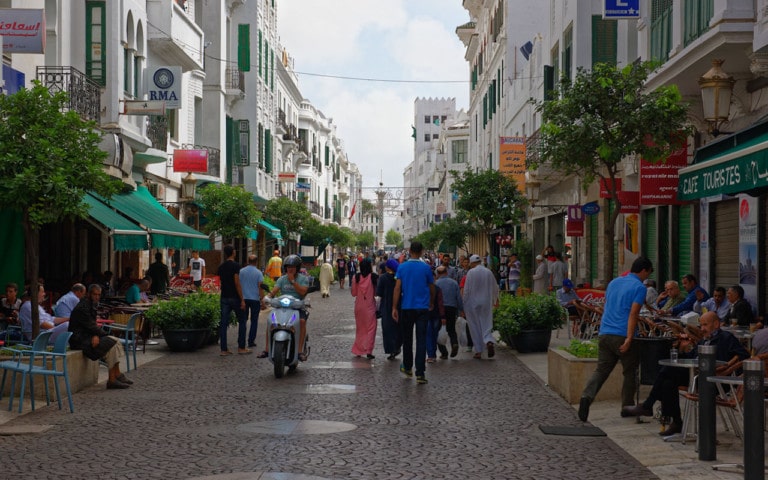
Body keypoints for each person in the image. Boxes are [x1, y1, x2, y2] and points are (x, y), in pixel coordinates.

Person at [622, 311, 749, 435]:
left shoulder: (726, 338)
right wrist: (681, 348)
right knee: (667, 382)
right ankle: (676, 422)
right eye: (701, 325)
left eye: (705, 325)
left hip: (714, 380)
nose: (702, 329)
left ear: (716, 324)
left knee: (667, 371)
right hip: (695, 376)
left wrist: (727, 367)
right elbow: (691, 357)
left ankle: (648, 405)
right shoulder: (703, 340)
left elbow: (744, 355)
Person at [578, 256, 654, 423]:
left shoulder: (614, 282)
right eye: (647, 273)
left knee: (601, 370)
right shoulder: (639, 287)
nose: (646, 277)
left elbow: (608, 306)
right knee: (630, 372)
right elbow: (633, 313)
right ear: (643, 270)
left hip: (605, 332)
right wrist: (629, 338)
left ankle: (586, 396)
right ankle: (627, 407)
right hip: (622, 333)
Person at [69, 284, 132, 389]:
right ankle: (114, 377)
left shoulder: (91, 305)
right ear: (89, 294)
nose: (97, 297)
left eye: (99, 295)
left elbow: (91, 326)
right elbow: (91, 325)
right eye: (95, 294)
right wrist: (102, 334)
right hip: (79, 341)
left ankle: (115, 376)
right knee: (112, 342)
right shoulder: (83, 307)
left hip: (87, 337)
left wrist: (96, 334)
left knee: (113, 342)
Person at [392, 241, 435, 384]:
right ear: (422, 251)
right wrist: (431, 302)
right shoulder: (426, 268)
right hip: (422, 308)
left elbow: (397, 288)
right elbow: (432, 286)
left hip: (407, 307)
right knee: (421, 339)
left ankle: (408, 367)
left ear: (409, 251)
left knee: (407, 339)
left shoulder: (402, 268)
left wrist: (394, 307)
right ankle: (420, 373)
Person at [265, 254, 309, 360]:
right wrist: (268, 296)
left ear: (297, 268)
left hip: (298, 307)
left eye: (293, 267)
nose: (290, 269)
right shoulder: (282, 279)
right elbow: (274, 291)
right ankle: (267, 349)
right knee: (270, 320)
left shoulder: (303, 279)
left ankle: (299, 351)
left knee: (302, 321)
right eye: (288, 267)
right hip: (282, 306)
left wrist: (293, 281)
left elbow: (303, 292)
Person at [462, 254, 500, 360]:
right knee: (486, 323)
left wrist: (463, 304)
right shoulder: (488, 272)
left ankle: (478, 351)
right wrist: (496, 299)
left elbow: (467, 290)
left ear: (472, 262)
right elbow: (495, 286)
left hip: (472, 303)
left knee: (474, 326)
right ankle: (488, 340)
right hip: (486, 302)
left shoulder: (470, 272)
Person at [217, 244, 249, 356]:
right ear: (233, 252)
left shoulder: (221, 267)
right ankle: (241, 347)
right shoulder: (236, 266)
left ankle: (223, 349)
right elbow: (236, 282)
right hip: (235, 297)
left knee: (224, 323)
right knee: (242, 320)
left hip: (224, 297)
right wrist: (242, 299)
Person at [351, 258, 378, 359]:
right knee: (371, 328)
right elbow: (376, 293)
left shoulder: (356, 277)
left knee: (360, 329)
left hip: (358, 306)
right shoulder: (373, 277)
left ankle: (358, 349)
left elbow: (353, 293)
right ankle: (368, 350)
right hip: (369, 306)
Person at [435, 265, 463, 358]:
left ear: (437, 274)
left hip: (440, 309)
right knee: (451, 329)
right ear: (446, 272)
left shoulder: (436, 283)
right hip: (452, 308)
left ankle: (444, 352)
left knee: (439, 330)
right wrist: (461, 309)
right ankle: (454, 343)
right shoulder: (454, 283)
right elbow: (458, 297)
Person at [376, 259, 401, 360]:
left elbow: (379, 293)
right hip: (399, 304)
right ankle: (397, 346)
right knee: (398, 327)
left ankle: (391, 350)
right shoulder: (399, 277)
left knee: (387, 329)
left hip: (386, 306)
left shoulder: (383, 278)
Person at [239, 254, 265, 351]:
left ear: (248, 261)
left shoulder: (241, 271)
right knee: (254, 321)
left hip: (244, 299)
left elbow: (238, 285)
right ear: (256, 262)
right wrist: (262, 301)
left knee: (243, 321)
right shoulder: (258, 273)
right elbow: (260, 288)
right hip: (254, 299)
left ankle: (241, 341)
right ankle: (251, 341)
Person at [426, 277, 446, 362]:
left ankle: (431, 355)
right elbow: (440, 303)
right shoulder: (438, 289)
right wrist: (443, 316)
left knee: (428, 335)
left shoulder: (424, 289)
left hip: (426, 315)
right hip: (436, 315)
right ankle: (432, 354)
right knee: (434, 335)